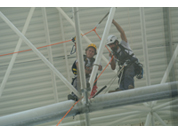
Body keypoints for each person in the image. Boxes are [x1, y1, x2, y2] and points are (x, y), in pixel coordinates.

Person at [107, 19, 143, 92]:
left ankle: (130, 86)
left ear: (116, 42)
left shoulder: (124, 45)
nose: (111, 47)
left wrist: (114, 22)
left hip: (132, 64)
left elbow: (122, 32)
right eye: (110, 45)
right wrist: (112, 59)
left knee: (127, 74)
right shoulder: (112, 54)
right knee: (121, 77)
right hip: (124, 67)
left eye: (112, 44)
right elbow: (113, 68)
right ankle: (121, 89)